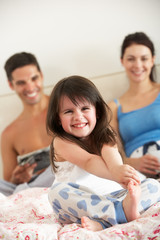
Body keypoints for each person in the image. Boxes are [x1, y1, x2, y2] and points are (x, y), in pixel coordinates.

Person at [46, 75, 160, 231]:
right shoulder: (61, 142)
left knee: (154, 185)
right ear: (58, 119)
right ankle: (121, 214)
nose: (78, 116)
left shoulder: (105, 133)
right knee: (55, 193)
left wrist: (119, 171)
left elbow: (111, 155)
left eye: (85, 108)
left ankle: (106, 222)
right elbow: (89, 161)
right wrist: (116, 175)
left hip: (115, 197)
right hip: (83, 205)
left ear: (97, 112)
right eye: (68, 111)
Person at [0, 52, 54, 196]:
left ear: (41, 76)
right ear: (11, 85)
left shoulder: (64, 106)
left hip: (69, 180)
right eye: (21, 82)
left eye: (34, 78)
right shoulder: (9, 134)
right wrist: (16, 179)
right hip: (37, 193)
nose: (30, 87)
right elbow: (10, 188)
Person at [108, 32, 160, 180]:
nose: (138, 65)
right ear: (122, 61)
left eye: (144, 59)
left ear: (152, 60)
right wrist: (132, 163)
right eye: (131, 59)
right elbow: (113, 154)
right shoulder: (113, 107)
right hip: (140, 179)